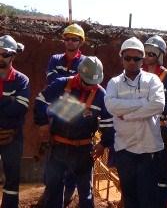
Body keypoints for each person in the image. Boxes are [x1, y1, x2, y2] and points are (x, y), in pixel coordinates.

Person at [34, 56, 114, 208]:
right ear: (79, 74)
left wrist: (104, 143)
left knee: (86, 192)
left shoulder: (101, 95)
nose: (90, 86)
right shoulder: (62, 84)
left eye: (93, 83)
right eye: (87, 82)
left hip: (83, 150)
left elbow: (109, 123)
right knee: (54, 188)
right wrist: (42, 123)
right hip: (58, 147)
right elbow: (40, 100)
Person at [104, 37, 166, 208]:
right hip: (125, 151)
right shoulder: (114, 83)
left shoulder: (153, 80)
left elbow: (158, 105)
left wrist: (128, 115)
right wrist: (142, 103)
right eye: (127, 58)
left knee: (148, 199)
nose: (132, 62)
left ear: (142, 59)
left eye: (136, 58)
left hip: (149, 151)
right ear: (121, 58)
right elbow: (111, 106)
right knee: (130, 199)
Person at [40, 23, 87, 207]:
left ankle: (69, 191)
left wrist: (67, 87)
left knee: (74, 156)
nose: (70, 42)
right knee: (53, 152)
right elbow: (53, 83)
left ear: (80, 42)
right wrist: (71, 84)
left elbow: (83, 85)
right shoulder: (55, 59)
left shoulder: (85, 63)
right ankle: (51, 188)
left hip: (76, 116)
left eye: (74, 39)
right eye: (67, 38)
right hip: (57, 114)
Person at [143, 35, 167, 207]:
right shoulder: (138, 75)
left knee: (161, 170)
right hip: (140, 130)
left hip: (160, 132)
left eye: (153, 51)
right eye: (147, 51)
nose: (148, 54)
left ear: (160, 54)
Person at [0, 35, 29, 208]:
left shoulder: (21, 80)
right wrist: (8, 101)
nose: (1, 58)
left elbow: (20, 108)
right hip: (9, 129)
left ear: (13, 56)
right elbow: (12, 107)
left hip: (12, 137)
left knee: (12, 178)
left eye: (5, 54)